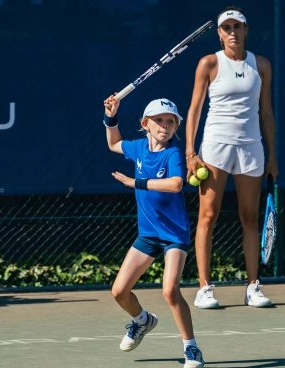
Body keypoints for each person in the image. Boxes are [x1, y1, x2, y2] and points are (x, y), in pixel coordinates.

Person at [185, 6, 279, 309]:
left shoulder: (261, 65)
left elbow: (266, 112)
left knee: (249, 218)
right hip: (215, 147)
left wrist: (272, 156)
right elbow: (195, 111)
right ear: (220, 33)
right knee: (207, 216)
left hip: (251, 147)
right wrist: (191, 152)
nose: (232, 33)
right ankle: (204, 288)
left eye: (237, 27)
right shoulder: (209, 63)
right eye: (227, 28)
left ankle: (253, 285)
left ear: (246, 30)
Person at [103, 95, 205, 368]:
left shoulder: (172, 153)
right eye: (159, 120)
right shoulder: (137, 148)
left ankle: (191, 349)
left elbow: (175, 185)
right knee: (119, 292)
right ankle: (141, 321)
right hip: (148, 234)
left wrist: (136, 182)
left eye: (170, 121)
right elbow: (113, 142)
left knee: (170, 291)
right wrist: (111, 117)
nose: (165, 125)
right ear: (145, 124)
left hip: (174, 234)